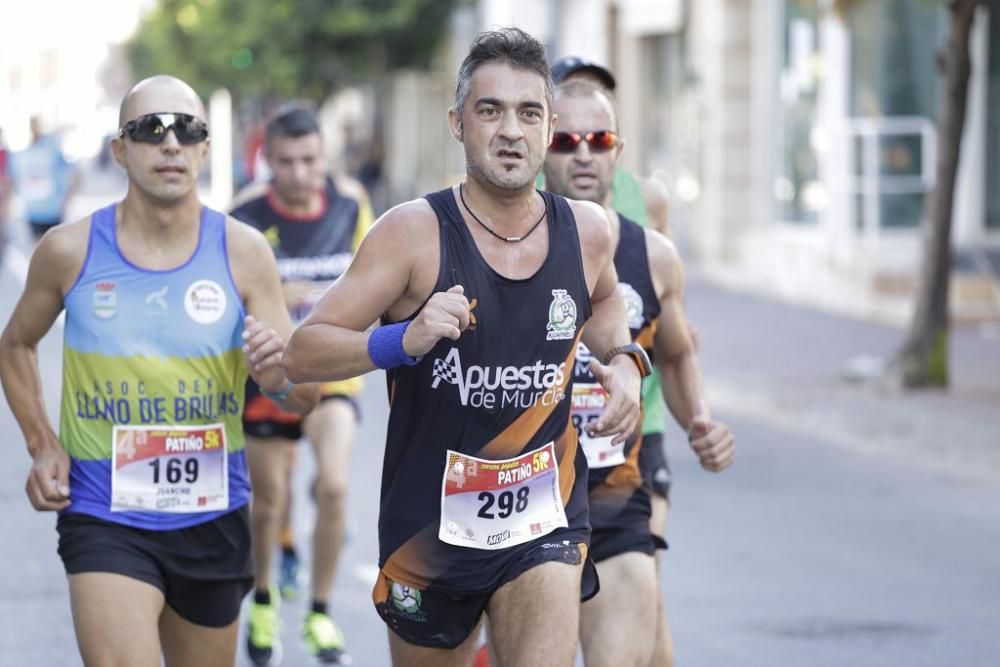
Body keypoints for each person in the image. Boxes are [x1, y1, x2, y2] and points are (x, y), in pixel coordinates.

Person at [283, 27, 646, 667]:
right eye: (490, 110)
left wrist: (621, 360)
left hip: (545, 517)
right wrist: (403, 338)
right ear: (458, 122)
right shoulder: (413, 234)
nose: (511, 130)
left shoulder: (587, 232)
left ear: (549, 124)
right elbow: (304, 352)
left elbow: (608, 301)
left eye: (528, 112)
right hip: (430, 530)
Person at [0, 75, 318, 667]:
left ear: (204, 148)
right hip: (104, 511)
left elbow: (301, 392)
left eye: (187, 130)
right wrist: (43, 444)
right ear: (120, 150)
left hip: (213, 513)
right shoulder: (70, 252)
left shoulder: (244, 251)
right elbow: (16, 343)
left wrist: (281, 373)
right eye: (150, 129)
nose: (170, 143)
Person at [543, 80, 735, 666]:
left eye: (597, 139)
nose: (582, 153)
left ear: (616, 152)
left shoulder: (653, 255)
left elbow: (675, 352)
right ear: (539, 145)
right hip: (518, 499)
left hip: (614, 491)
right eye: (565, 138)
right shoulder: (498, 248)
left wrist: (698, 419)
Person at [230, 101, 374, 666]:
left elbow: (374, 271)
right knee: (269, 501)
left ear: (324, 157)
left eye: (309, 160)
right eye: (285, 161)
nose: (298, 173)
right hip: (267, 371)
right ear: (268, 159)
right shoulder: (243, 213)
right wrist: (272, 299)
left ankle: (319, 611)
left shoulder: (351, 203)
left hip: (331, 368)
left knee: (334, 485)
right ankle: (263, 598)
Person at [8, 115, 79, 241]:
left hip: (53, 210)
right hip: (32, 211)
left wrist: (68, 198)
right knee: (40, 249)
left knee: (52, 248)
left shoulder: (51, 149)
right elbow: (13, 180)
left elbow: (73, 173)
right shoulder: (20, 154)